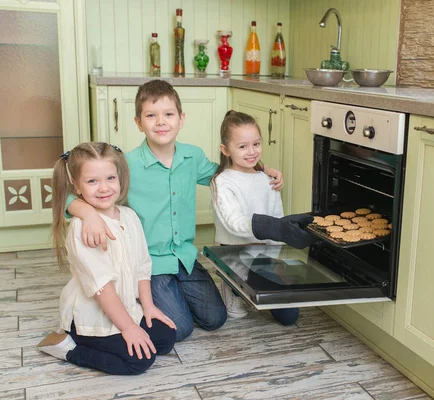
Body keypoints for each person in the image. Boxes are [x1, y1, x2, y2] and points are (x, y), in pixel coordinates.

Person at [65, 80, 307, 341]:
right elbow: (72, 194)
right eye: (151, 115)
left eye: (168, 114)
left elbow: (228, 173)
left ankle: (176, 296)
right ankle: (141, 297)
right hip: (151, 264)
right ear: (138, 122)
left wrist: (262, 169)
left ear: (181, 119)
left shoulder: (193, 157)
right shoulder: (127, 164)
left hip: (185, 259)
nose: (161, 122)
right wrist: (87, 213)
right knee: (180, 329)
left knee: (216, 320)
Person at [38, 142, 177, 375]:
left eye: (110, 178)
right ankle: (70, 347)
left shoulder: (130, 216)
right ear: (77, 186)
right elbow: (102, 288)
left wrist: (149, 307)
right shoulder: (83, 228)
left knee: (166, 337)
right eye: (92, 181)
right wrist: (129, 328)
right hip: (93, 316)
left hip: (125, 306)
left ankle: (127, 326)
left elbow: (143, 265)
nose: (103, 188)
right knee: (139, 361)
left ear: (120, 178)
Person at [210, 110, 313, 324]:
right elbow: (234, 225)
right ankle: (231, 284)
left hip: (263, 255)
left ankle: (253, 282)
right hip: (234, 253)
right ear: (225, 150)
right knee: (238, 313)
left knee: (289, 317)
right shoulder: (222, 182)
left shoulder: (268, 179)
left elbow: (278, 219)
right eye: (242, 146)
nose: (251, 152)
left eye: (256, 144)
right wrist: (271, 228)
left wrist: (276, 262)